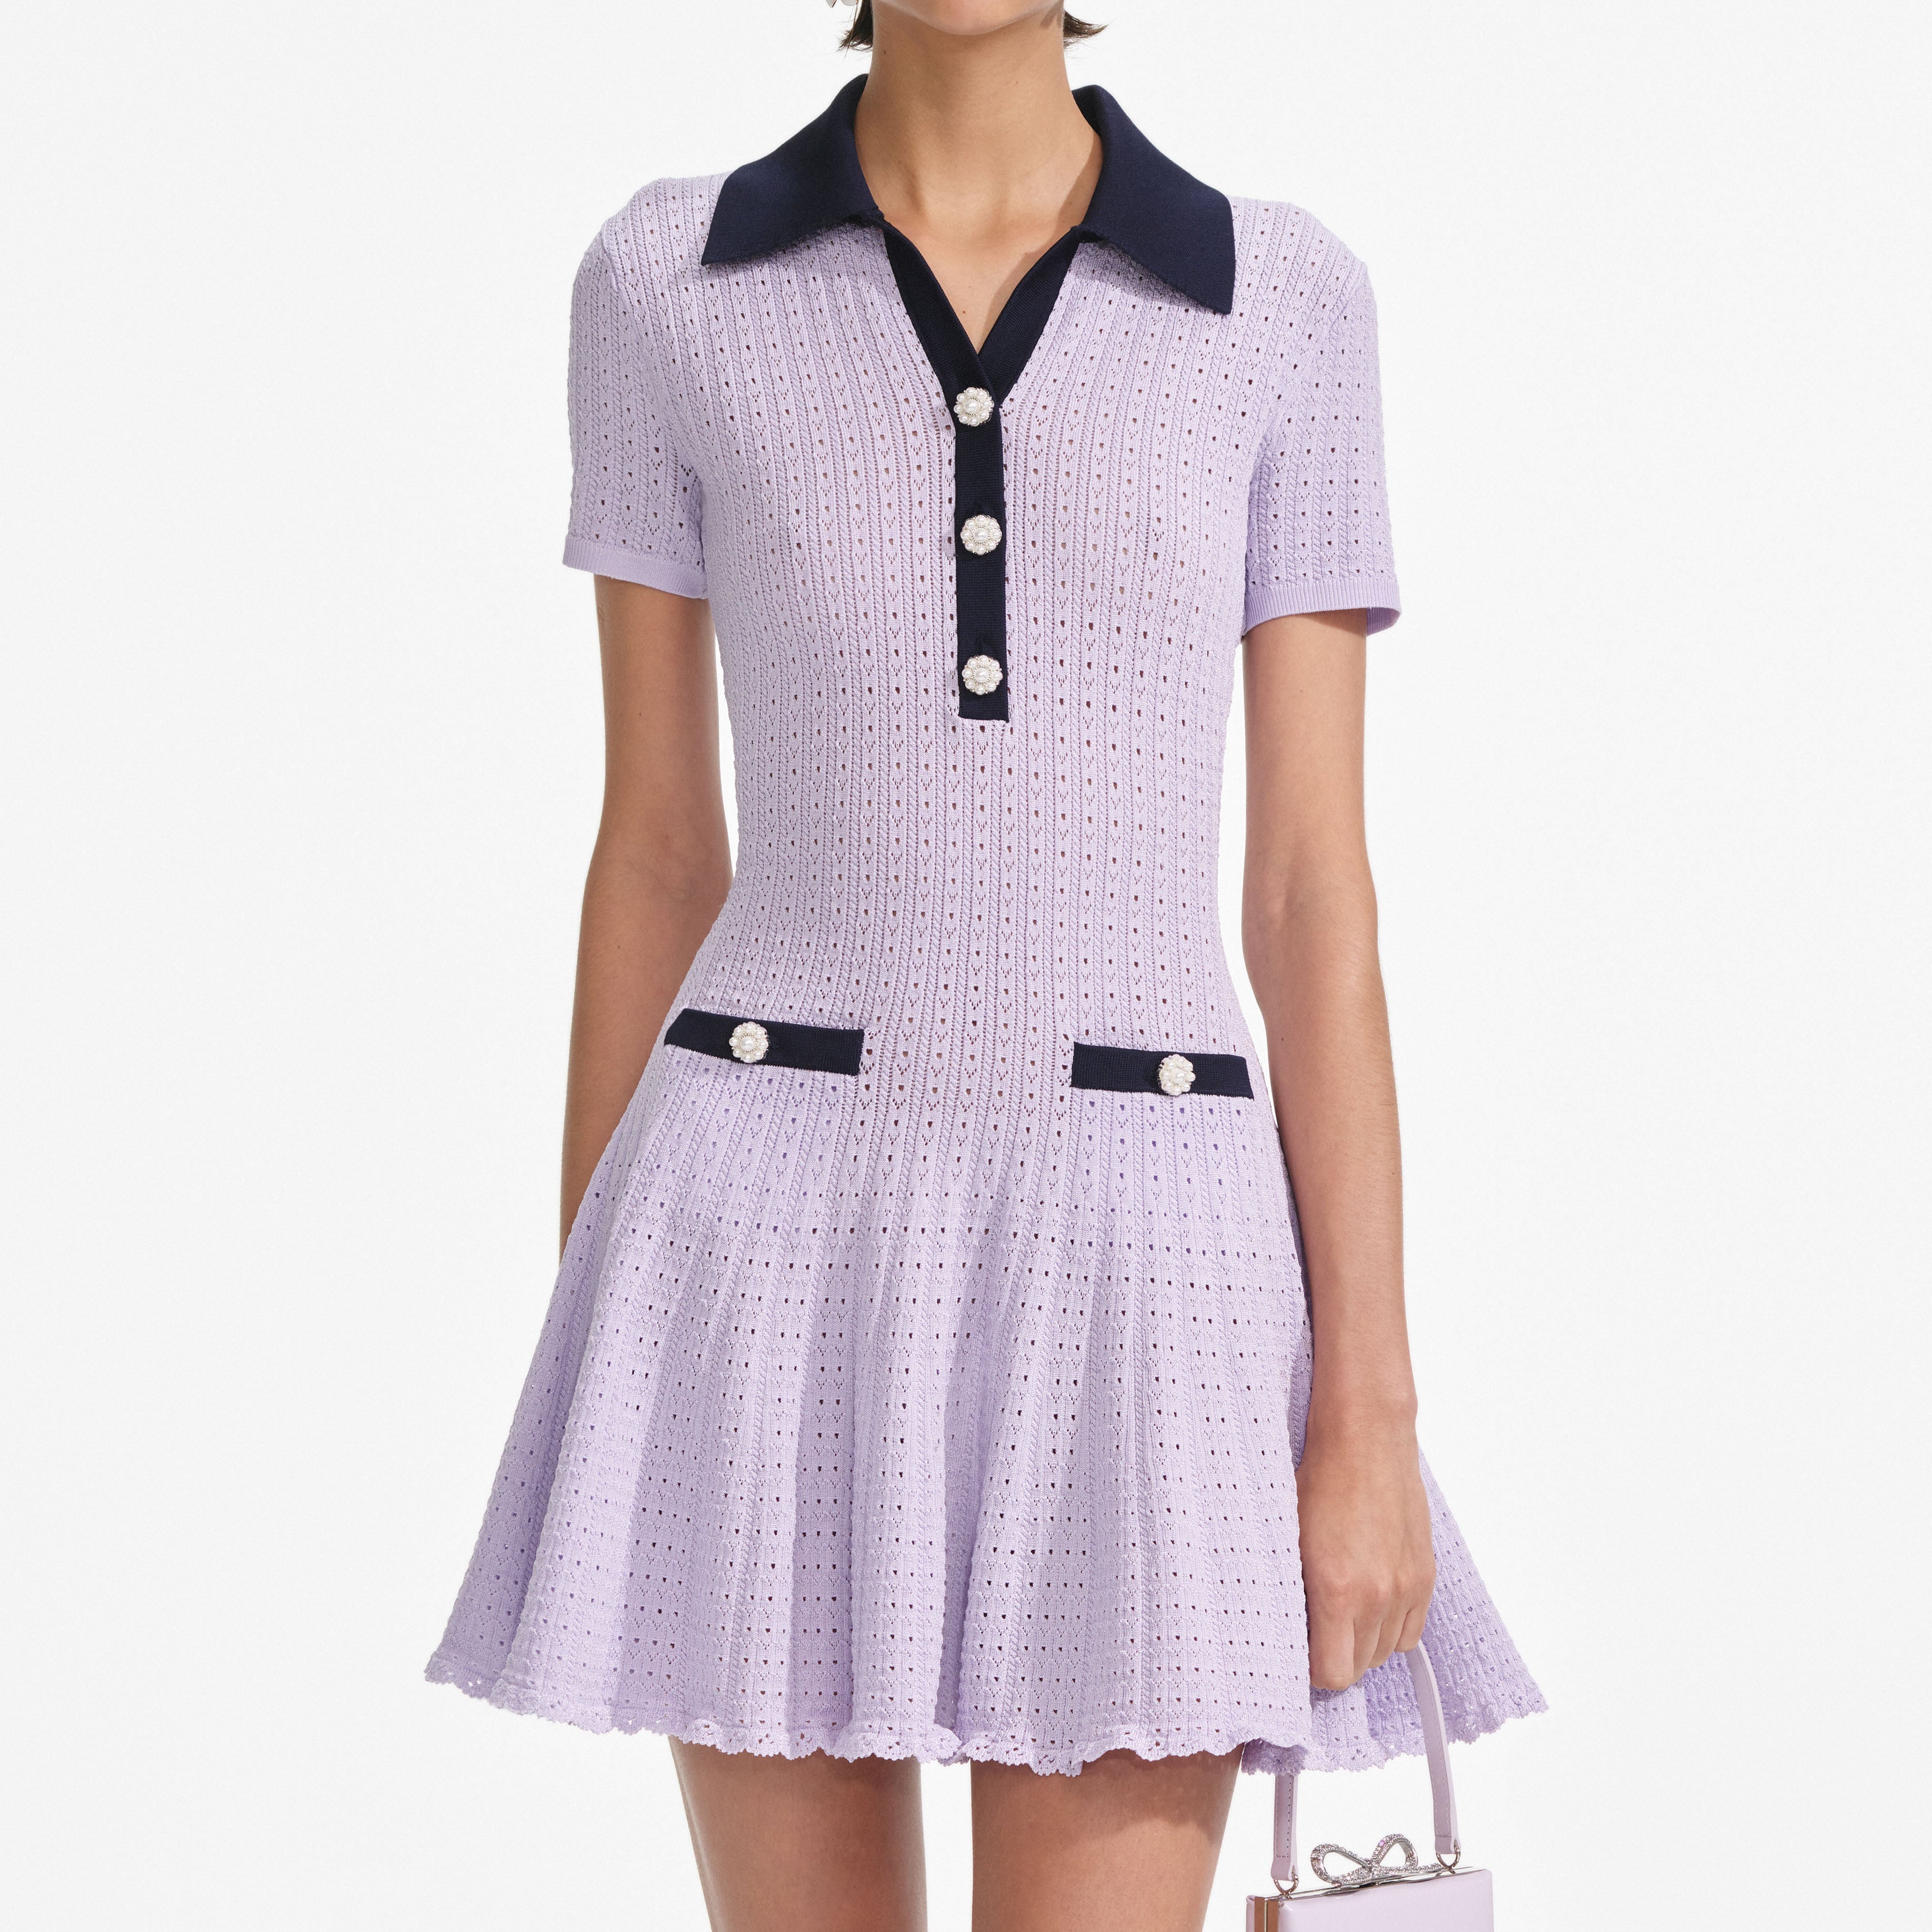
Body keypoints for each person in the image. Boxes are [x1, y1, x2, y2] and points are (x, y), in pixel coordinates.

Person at [426, 6, 1542, 1927]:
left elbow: (1309, 894)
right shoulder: (669, 277)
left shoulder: (1281, 297)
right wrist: (606, 1342)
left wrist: (1371, 1410)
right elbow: (659, 847)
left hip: (1153, 1255)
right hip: (757, 1243)